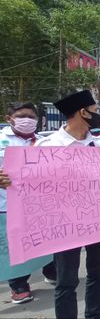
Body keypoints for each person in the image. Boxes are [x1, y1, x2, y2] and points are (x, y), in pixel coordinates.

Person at [27, 90, 100, 318]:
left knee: (98, 275)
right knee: (66, 282)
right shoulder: (46, 147)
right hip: (64, 225)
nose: (98, 116)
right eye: (95, 111)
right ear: (83, 112)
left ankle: (95, 315)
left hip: (99, 222)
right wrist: (7, 181)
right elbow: (27, 183)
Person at [0, 102, 56, 304]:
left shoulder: (43, 142)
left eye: (32, 117)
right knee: (15, 247)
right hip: (8, 205)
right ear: (9, 118)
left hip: (40, 205)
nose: (28, 120)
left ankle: (51, 272)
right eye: (22, 116)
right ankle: (19, 285)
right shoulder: (1, 140)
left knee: (48, 240)